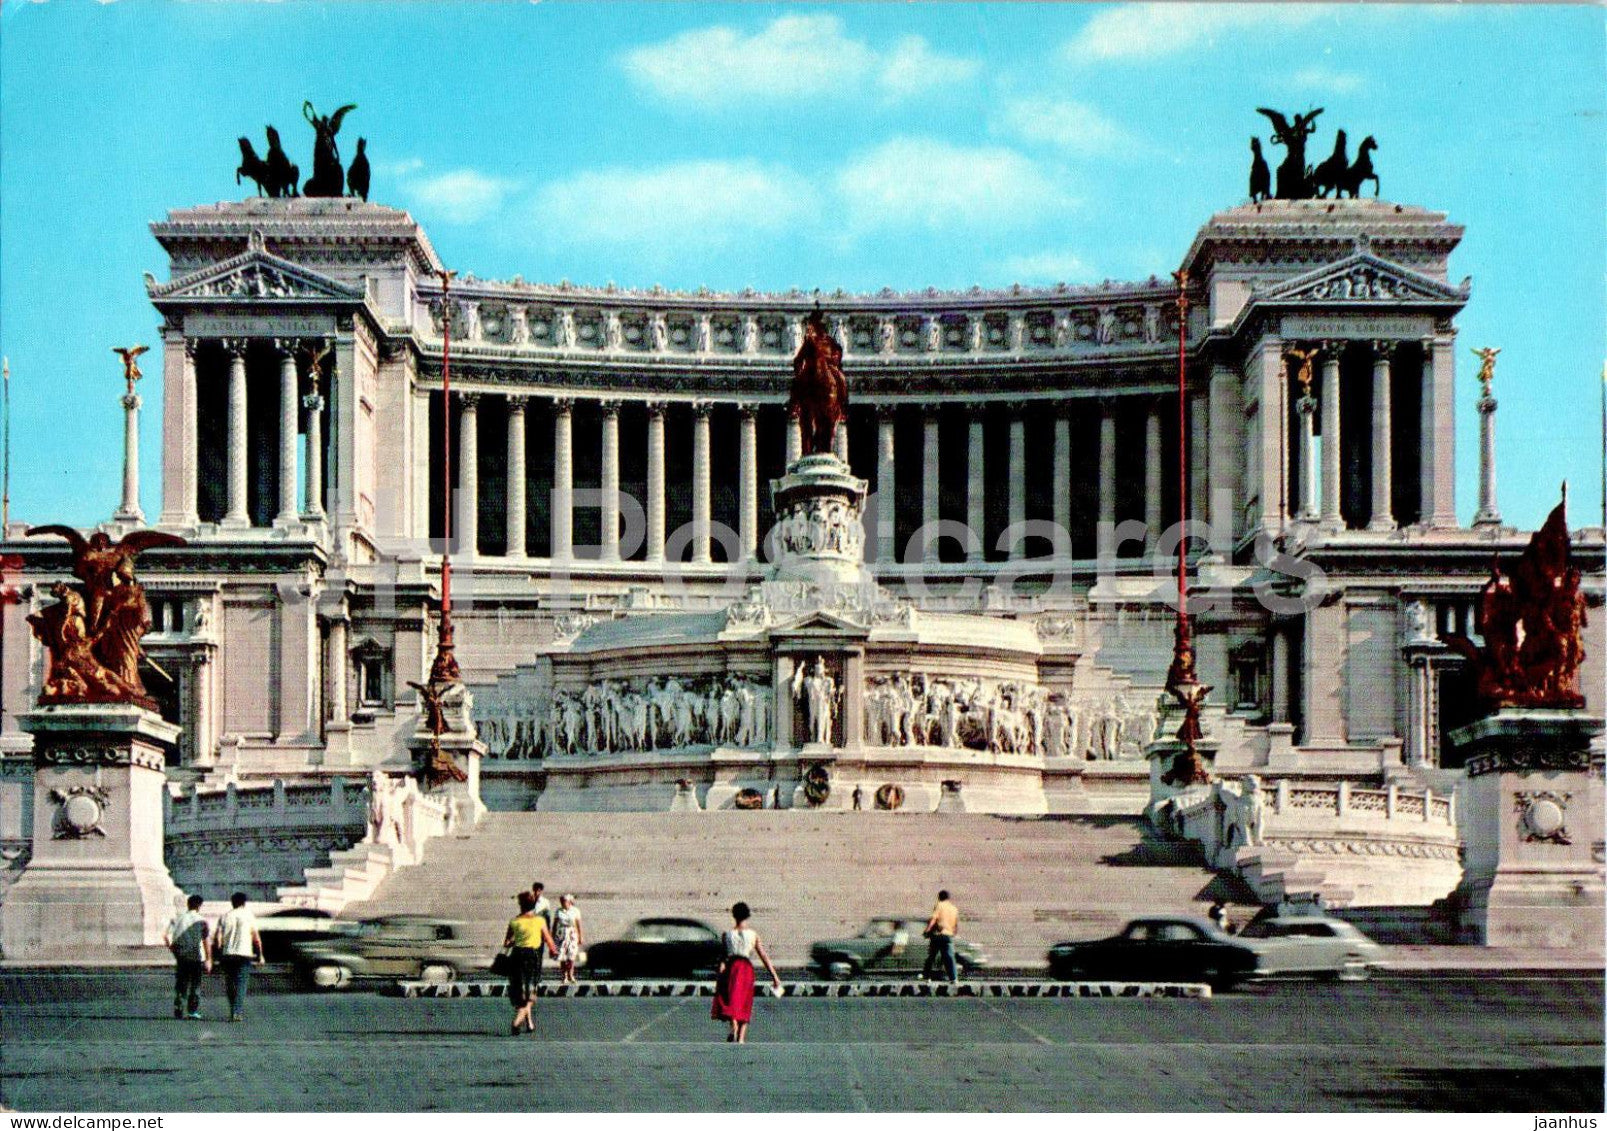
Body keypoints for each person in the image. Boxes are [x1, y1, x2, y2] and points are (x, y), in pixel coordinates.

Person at [711, 901, 782, 1044]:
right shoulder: (753, 935)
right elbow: (763, 956)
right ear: (747, 915)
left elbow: (723, 959)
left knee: (731, 999)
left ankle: (733, 1024)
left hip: (732, 967)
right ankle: (741, 1038)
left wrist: (719, 976)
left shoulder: (727, 935)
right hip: (746, 969)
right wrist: (774, 976)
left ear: (734, 915)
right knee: (744, 1001)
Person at [504, 890, 558, 1035]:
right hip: (532, 957)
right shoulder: (539, 921)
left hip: (517, 956)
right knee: (530, 993)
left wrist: (517, 939)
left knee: (520, 990)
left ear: (520, 905)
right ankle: (517, 1022)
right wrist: (554, 951)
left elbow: (507, 942)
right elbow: (548, 939)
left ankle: (529, 1023)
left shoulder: (515, 921)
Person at [212, 892, 262, 1022]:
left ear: (232, 902)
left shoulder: (225, 916)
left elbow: (217, 938)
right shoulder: (249, 916)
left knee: (230, 983)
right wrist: (260, 955)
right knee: (241, 984)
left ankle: (233, 1009)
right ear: (244, 903)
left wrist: (217, 953)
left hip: (228, 954)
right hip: (244, 954)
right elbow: (256, 937)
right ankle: (237, 1011)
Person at [164, 894, 210, 1020]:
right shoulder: (202, 921)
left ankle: (179, 1006)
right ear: (199, 906)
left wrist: (172, 948)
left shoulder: (177, 918)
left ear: (188, 904)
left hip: (181, 956)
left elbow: (166, 936)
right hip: (196, 956)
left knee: (181, 983)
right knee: (195, 984)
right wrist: (208, 959)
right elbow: (206, 941)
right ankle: (192, 1011)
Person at [922, 889, 961, 984]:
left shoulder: (939, 905)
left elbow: (934, 919)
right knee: (949, 957)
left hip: (938, 935)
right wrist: (954, 933)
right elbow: (956, 924)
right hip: (948, 935)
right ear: (948, 898)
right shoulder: (954, 908)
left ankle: (927, 977)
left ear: (939, 897)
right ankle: (953, 978)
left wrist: (927, 930)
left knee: (931, 956)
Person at [553, 894, 585, 986]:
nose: (563, 903)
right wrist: (553, 936)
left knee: (572, 954)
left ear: (569, 902)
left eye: (564, 901)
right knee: (562, 955)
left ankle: (571, 974)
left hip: (572, 933)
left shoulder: (575, 911)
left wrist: (580, 936)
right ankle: (564, 976)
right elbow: (555, 924)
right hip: (561, 933)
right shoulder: (558, 911)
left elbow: (578, 924)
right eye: (562, 901)